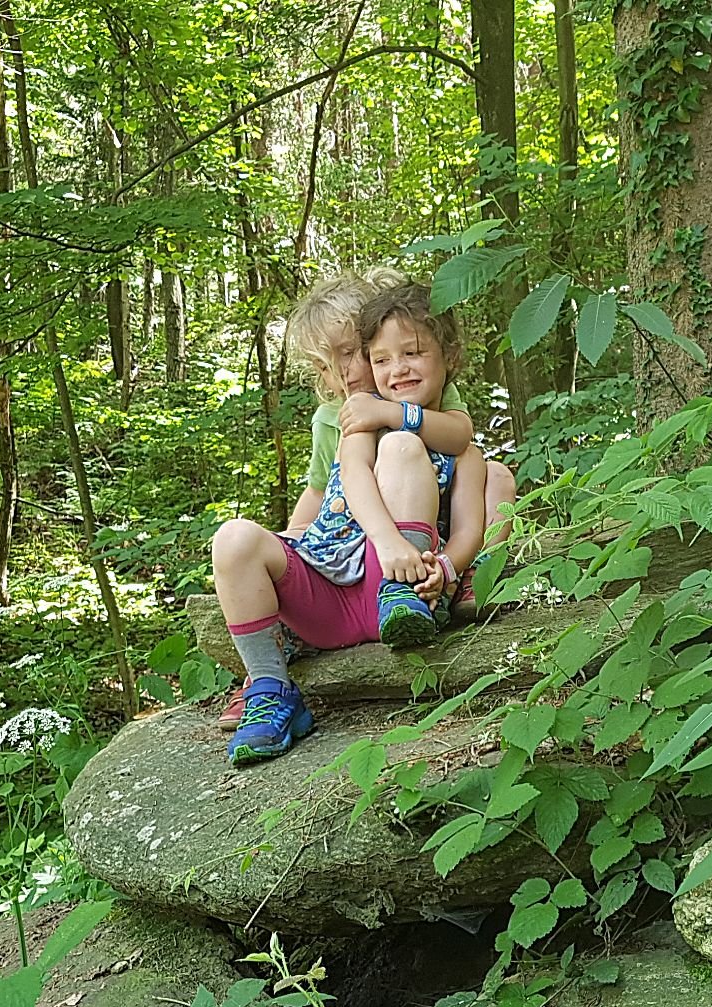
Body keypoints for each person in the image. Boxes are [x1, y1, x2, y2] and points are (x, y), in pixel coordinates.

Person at [209, 276, 499, 762]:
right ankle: (269, 688)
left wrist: (447, 569)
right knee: (233, 538)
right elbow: (338, 482)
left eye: (352, 354)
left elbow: (464, 464)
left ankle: (408, 593)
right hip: (329, 593)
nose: (346, 373)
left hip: (397, 590)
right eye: (383, 359)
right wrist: (293, 545)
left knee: (406, 447)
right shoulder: (354, 421)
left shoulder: (442, 431)